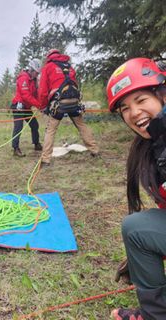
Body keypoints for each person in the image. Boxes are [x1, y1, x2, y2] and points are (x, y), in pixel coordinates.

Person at [107, 57, 166, 320]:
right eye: (125, 108)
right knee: (137, 228)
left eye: (141, 101)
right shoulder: (152, 145)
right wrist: (146, 250)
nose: (134, 113)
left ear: (162, 95)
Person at [38, 49, 99, 166]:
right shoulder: (69, 67)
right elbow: (74, 83)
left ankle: (46, 159)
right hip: (74, 101)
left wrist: (43, 106)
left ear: (49, 57)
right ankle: (94, 150)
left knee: (50, 130)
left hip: (59, 102)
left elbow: (42, 90)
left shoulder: (48, 67)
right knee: (82, 126)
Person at [10, 58, 43, 157]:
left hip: (27, 107)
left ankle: (36, 144)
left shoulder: (34, 80)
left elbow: (36, 94)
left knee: (34, 125)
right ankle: (15, 149)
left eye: (38, 73)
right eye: (36, 73)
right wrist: (38, 105)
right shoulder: (23, 78)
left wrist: (42, 104)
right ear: (31, 70)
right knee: (18, 127)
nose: (37, 75)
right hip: (18, 106)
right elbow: (26, 95)